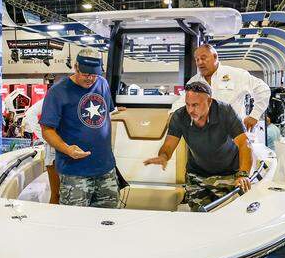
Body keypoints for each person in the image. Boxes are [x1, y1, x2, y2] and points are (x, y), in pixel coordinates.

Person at [143, 81, 253, 212]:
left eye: (195, 105)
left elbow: (245, 143)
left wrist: (243, 174)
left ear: (209, 101)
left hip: (228, 174)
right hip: (197, 176)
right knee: (199, 217)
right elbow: (168, 145)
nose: (190, 110)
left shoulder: (225, 111)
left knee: (226, 216)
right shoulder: (179, 116)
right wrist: (163, 156)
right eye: (188, 104)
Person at [40, 49, 117, 209]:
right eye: (86, 74)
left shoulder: (102, 83)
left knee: (109, 220)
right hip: (75, 172)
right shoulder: (57, 92)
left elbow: (106, 118)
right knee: (74, 224)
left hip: (106, 169)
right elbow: (47, 130)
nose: (90, 79)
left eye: (94, 74)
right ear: (76, 67)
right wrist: (67, 149)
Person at [190, 43, 270, 144]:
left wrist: (254, 115)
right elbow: (182, 102)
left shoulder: (236, 75)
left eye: (203, 58)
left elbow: (263, 90)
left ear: (215, 57)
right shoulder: (194, 81)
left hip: (233, 138)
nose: (200, 62)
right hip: (204, 140)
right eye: (197, 59)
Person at [22, 97, 59, 205]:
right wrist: (46, 138)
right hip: (54, 149)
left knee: (63, 193)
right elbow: (30, 113)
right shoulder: (56, 95)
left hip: (64, 148)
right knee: (57, 193)